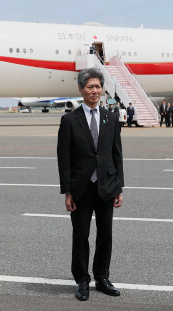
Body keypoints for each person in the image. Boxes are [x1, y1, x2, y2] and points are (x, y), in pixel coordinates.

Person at [57, 67, 124, 302]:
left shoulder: (111, 118)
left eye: (97, 86)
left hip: (106, 187)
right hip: (81, 189)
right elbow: (64, 160)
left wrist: (119, 187)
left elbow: (117, 155)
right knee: (81, 235)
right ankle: (82, 280)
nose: (94, 91)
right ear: (81, 90)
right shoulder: (69, 120)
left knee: (105, 235)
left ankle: (102, 278)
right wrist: (68, 192)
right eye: (89, 87)